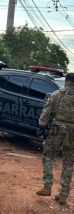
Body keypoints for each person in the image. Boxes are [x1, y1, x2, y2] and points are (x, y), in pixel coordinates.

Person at [36, 73, 74, 205]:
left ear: (66, 81)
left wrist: (41, 126)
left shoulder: (57, 94)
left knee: (48, 155)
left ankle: (47, 186)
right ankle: (64, 194)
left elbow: (46, 111)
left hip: (57, 129)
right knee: (69, 161)